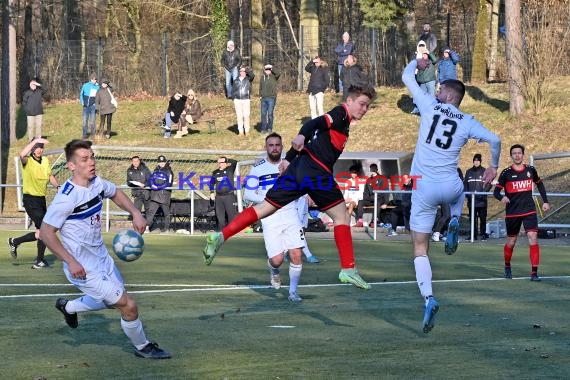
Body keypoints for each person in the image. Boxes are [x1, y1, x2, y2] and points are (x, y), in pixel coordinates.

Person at [203, 85, 377, 290]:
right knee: (341, 217)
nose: (364, 109)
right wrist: (302, 134)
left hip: (299, 167)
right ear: (349, 101)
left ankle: (221, 237)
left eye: (367, 106)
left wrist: (288, 159)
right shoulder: (341, 113)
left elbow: (310, 139)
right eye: (362, 104)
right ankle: (348, 268)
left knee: (263, 208)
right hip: (316, 171)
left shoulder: (342, 121)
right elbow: (313, 123)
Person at [39, 139, 171, 359]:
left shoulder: (97, 183)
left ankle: (69, 307)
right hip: (83, 268)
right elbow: (46, 232)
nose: (91, 162)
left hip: (102, 259)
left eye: (92, 157)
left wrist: (136, 213)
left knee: (111, 302)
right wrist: (70, 261)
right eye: (84, 159)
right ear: (71, 166)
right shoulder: (66, 198)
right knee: (128, 305)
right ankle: (143, 347)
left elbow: (115, 193)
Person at [402, 59, 501, 333]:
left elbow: (406, 76)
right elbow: (495, 139)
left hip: (423, 188)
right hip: (451, 185)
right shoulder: (468, 121)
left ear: (447, 95)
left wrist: (418, 62)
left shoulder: (429, 105)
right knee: (458, 193)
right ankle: (455, 218)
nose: (436, 92)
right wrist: (493, 166)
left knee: (419, 248)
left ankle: (429, 298)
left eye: (440, 89)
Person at [243, 133, 305, 301]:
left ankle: (293, 292)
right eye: (271, 145)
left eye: (277, 145)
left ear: (282, 147)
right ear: (266, 147)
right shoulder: (257, 168)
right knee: (277, 260)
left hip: (290, 212)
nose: (274, 148)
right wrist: (269, 202)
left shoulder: (291, 165)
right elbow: (248, 193)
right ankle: (274, 271)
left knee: (296, 254)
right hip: (270, 215)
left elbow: (301, 186)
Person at [493, 144, 550, 281]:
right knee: (511, 242)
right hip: (513, 212)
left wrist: (545, 201)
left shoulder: (530, 170)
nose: (517, 155)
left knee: (533, 238)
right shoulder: (506, 173)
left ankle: (534, 273)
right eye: (514, 153)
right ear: (511, 156)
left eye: (519, 153)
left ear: (523, 155)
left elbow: (539, 183)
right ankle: (507, 266)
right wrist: (502, 197)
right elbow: (496, 192)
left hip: (529, 210)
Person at [7, 138, 59, 269]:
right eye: (37, 147)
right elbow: (21, 155)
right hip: (30, 200)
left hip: (41, 200)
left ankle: (15, 241)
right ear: (32, 148)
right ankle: (39, 261)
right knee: (45, 229)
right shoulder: (27, 161)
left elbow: (50, 176)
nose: (40, 149)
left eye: (41, 147)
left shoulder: (46, 161)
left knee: (40, 233)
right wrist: (35, 140)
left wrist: (58, 187)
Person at [464, 153, 491, 240]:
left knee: (483, 218)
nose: (476, 162)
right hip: (472, 201)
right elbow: (465, 185)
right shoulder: (468, 172)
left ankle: (483, 234)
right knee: (472, 219)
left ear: (480, 161)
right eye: (475, 161)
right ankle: (473, 235)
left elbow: (488, 184)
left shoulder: (484, 171)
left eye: (478, 161)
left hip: (482, 201)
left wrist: (483, 193)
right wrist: (467, 194)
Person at [354, 164, 389, 228]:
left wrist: (386, 203)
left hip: (379, 198)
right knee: (360, 202)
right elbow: (365, 192)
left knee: (377, 202)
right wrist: (366, 199)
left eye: (374, 170)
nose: (372, 171)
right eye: (371, 170)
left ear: (376, 170)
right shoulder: (369, 180)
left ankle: (374, 220)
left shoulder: (382, 179)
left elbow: (386, 191)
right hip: (370, 199)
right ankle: (360, 220)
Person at [145, 155, 174, 233]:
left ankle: (166, 229)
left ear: (165, 162)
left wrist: (158, 187)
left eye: (163, 162)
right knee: (150, 212)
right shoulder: (155, 170)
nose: (161, 163)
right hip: (154, 195)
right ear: (158, 163)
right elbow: (151, 180)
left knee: (166, 213)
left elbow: (169, 183)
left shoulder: (169, 171)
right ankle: (147, 227)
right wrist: (152, 185)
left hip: (164, 196)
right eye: (160, 162)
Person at [210, 156, 238, 230]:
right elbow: (211, 183)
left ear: (226, 163)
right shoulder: (215, 172)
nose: (221, 164)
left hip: (229, 196)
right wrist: (211, 192)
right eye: (220, 162)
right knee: (220, 216)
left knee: (231, 215)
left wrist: (227, 159)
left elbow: (235, 161)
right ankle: (221, 233)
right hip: (219, 197)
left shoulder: (230, 170)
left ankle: (232, 232)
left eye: (223, 162)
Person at [411, 50, 437, 114]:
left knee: (431, 96)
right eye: (423, 54)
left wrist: (429, 52)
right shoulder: (419, 62)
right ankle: (420, 109)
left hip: (430, 81)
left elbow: (435, 59)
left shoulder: (431, 61)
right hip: (422, 82)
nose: (424, 55)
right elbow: (413, 63)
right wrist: (416, 55)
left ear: (428, 55)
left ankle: (432, 110)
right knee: (422, 97)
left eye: (426, 54)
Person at [295, 194, 320, 263]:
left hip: (303, 198)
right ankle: (309, 255)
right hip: (300, 199)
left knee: (301, 231)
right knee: (300, 233)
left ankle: (284, 253)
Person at [232, 66, 255, 136]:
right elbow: (233, 90)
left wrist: (247, 69)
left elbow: (252, 75)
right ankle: (240, 132)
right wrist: (234, 98)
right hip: (237, 100)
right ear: (239, 72)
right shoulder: (235, 80)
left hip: (246, 99)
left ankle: (247, 131)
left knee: (246, 115)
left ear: (246, 73)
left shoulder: (248, 79)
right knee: (239, 116)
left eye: (244, 71)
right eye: (241, 71)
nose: (242, 72)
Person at [259, 64, 280, 134]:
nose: (267, 71)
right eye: (266, 70)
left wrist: (272, 67)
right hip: (263, 99)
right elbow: (260, 87)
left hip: (271, 98)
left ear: (270, 70)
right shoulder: (262, 78)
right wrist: (260, 95)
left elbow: (278, 73)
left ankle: (269, 128)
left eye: (269, 70)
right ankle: (263, 128)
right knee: (263, 114)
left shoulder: (274, 77)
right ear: (264, 71)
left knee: (270, 114)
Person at [79, 73, 99, 139]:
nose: (94, 81)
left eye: (95, 79)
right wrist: (82, 102)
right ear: (90, 79)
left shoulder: (97, 87)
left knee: (92, 121)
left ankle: (93, 135)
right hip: (85, 107)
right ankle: (84, 135)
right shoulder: (85, 85)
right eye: (93, 79)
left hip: (93, 107)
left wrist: (96, 105)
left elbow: (98, 97)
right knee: (85, 122)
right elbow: (81, 94)